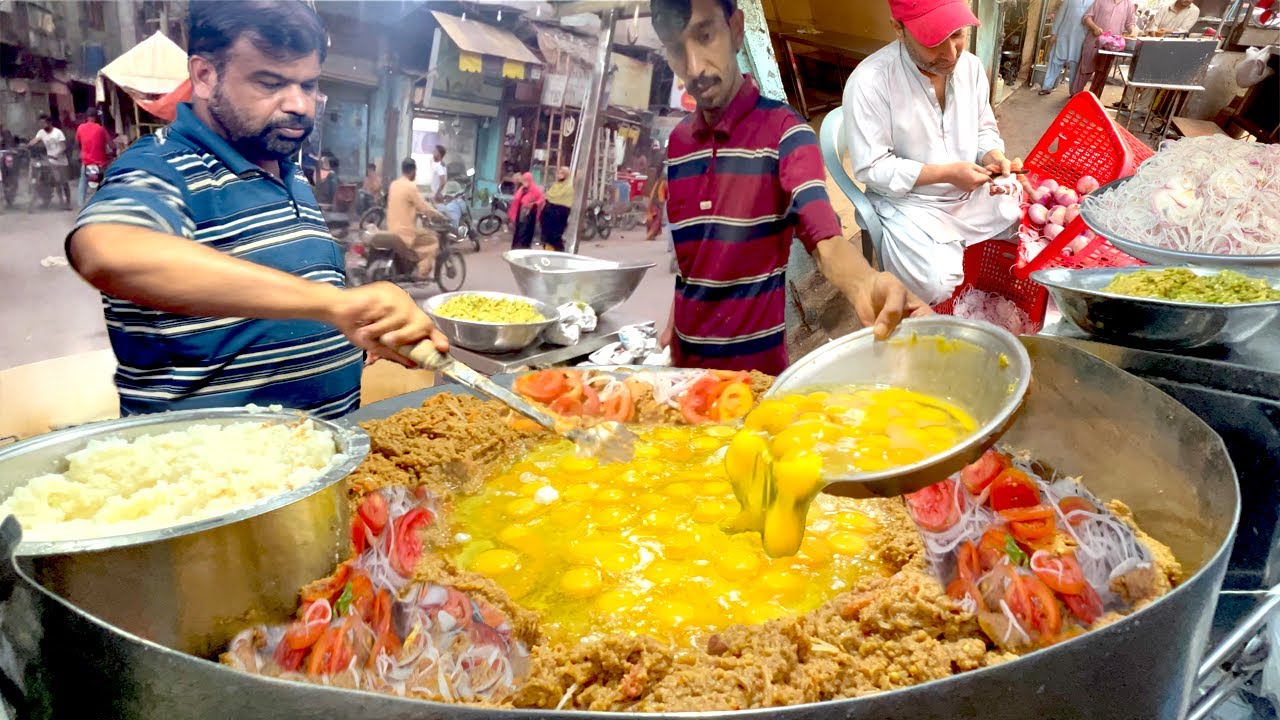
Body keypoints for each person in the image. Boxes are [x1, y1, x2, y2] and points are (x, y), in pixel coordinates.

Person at [67, 0, 446, 419]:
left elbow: (278, 312)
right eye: (270, 83)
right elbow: (107, 252)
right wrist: (333, 304)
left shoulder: (287, 168)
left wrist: (366, 329)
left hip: (320, 458)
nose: (299, 104)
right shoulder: (162, 166)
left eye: (308, 85)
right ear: (205, 76)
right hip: (210, 476)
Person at [651, 0, 926, 375]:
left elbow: (824, 238)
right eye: (675, 47)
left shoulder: (785, 134)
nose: (694, 66)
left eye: (704, 35)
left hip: (751, 380)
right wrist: (674, 313)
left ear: (735, 28)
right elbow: (690, 257)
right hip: (681, 372)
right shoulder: (678, 144)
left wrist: (864, 282)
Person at [843, 0, 1023, 306]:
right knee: (935, 282)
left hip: (967, 190)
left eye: (957, 35)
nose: (951, 54)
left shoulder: (971, 67)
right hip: (909, 202)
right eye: (933, 42)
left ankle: (977, 269)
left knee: (1024, 212)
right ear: (898, 29)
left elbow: (983, 128)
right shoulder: (870, 82)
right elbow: (872, 168)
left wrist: (993, 156)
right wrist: (947, 174)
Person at [386, 157, 447, 279]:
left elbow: (405, 205)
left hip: (391, 229)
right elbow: (424, 207)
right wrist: (440, 216)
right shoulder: (411, 187)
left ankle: (411, 265)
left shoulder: (394, 185)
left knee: (422, 237)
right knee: (433, 240)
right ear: (413, 171)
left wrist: (416, 212)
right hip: (405, 233)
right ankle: (422, 273)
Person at [1072, 0, 1138, 96]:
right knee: (1084, 70)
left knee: (1101, 75)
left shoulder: (1128, 4)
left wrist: (1132, 31)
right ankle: (1075, 97)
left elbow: (1130, 23)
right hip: (1093, 42)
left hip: (1112, 47)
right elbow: (1086, 17)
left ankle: (1093, 103)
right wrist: (1094, 27)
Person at [1039, 0, 1095, 95]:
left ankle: (1074, 92)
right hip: (1064, 34)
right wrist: (1054, 33)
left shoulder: (1095, 1)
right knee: (1055, 61)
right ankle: (1047, 87)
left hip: (1081, 39)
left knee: (1076, 67)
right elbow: (1060, 14)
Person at [29, 114, 72, 209]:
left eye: (44, 123)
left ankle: (68, 202)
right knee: (56, 182)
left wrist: (56, 154)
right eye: (40, 123)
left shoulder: (58, 133)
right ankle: (61, 201)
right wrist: (27, 145)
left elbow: (63, 146)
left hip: (61, 161)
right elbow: (34, 141)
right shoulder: (41, 132)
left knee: (64, 182)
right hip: (50, 161)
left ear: (49, 123)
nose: (42, 125)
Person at [74, 110, 112, 206]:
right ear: (95, 117)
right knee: (104, 182)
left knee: (83, 183)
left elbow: (76, 143)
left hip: (86, 161)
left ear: (87, 117)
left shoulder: (80, 128)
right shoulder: (101, 129)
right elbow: (111, 144)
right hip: (100, 163)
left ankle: (80, 204)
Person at [540, 166, 573, 252]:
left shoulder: (568, 187)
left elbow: (564, 202)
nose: (559, 175)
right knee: (547, 237)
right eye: (559, 173)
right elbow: (549, 195)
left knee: (555, 238)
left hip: (559, 215)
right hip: (549, 215)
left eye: (562, 173)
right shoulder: (555, 185)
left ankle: (559, 254)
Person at [508, 171, 543, 250]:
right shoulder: (522, 189)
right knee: (518, 232)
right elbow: (516, 200)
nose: (525, 182)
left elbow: (541, 199)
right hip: (520, 214)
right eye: (524, 180)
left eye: (527, 180)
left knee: (525, 233)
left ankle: (522, 250)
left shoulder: (534, 189)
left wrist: (534, 204)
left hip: (529, 215)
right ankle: (516, 249)